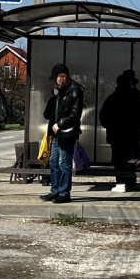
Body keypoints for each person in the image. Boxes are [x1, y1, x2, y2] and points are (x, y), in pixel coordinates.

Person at [99, 70, 140, 192]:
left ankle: (121, 183)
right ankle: (131, 183)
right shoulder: (137, 98)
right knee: (131, 160)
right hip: (132, 135)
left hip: (115, 135)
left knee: (118, 160)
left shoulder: (113, 98)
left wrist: (109, 126)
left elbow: (103, 116)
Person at [40, 63, 84, 204]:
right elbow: (53, 112)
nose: (55, 81)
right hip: (56, 133)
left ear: (63, 77)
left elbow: (75, 114)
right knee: (54, 161)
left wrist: (60, 124)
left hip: (67, 133)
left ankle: (64, 192)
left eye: (56, 78)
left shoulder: (75, 91)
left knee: (64, 163)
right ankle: (55, 191)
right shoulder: (60, 91)